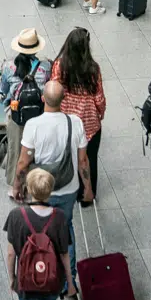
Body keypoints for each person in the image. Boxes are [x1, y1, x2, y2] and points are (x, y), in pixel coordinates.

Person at [13, 81, 91, 277]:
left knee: (38, 230)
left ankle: (41, 271)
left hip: (41, 190)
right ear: (63, 99)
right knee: (66, 228)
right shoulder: (75, 122)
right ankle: (69, 279)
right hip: (68, 187)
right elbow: (83, 160)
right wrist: (87, 188)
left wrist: (17, 185)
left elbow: (23, 162)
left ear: (42, 99)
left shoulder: (33, 125)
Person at [4, 168, 75, 300]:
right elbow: (64, 254)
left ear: (29, 189)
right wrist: (70, 283)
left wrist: (12, 279)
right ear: (50, 191)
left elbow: (10, 254)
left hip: (27, 284)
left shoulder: (16, 216)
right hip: (53, 281)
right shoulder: (59, 217)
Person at [50, 29, 106, 208]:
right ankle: (88, 195)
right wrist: (100, 113)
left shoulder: (59, 65)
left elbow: (54, 90)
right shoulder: (93, 69)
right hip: (89, 123)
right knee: (90, 158)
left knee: (70, 156)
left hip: (67, 121)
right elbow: (99, 98)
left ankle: (70, 190)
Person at [0, 30, 53, 195]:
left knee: (15, 148)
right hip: (39, 116)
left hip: (17, 116)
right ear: (36, 49)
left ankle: (14, 184)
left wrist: (1, 119)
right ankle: (35, 182)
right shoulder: (46, 67)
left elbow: (2, 92)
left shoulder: (8, 66)